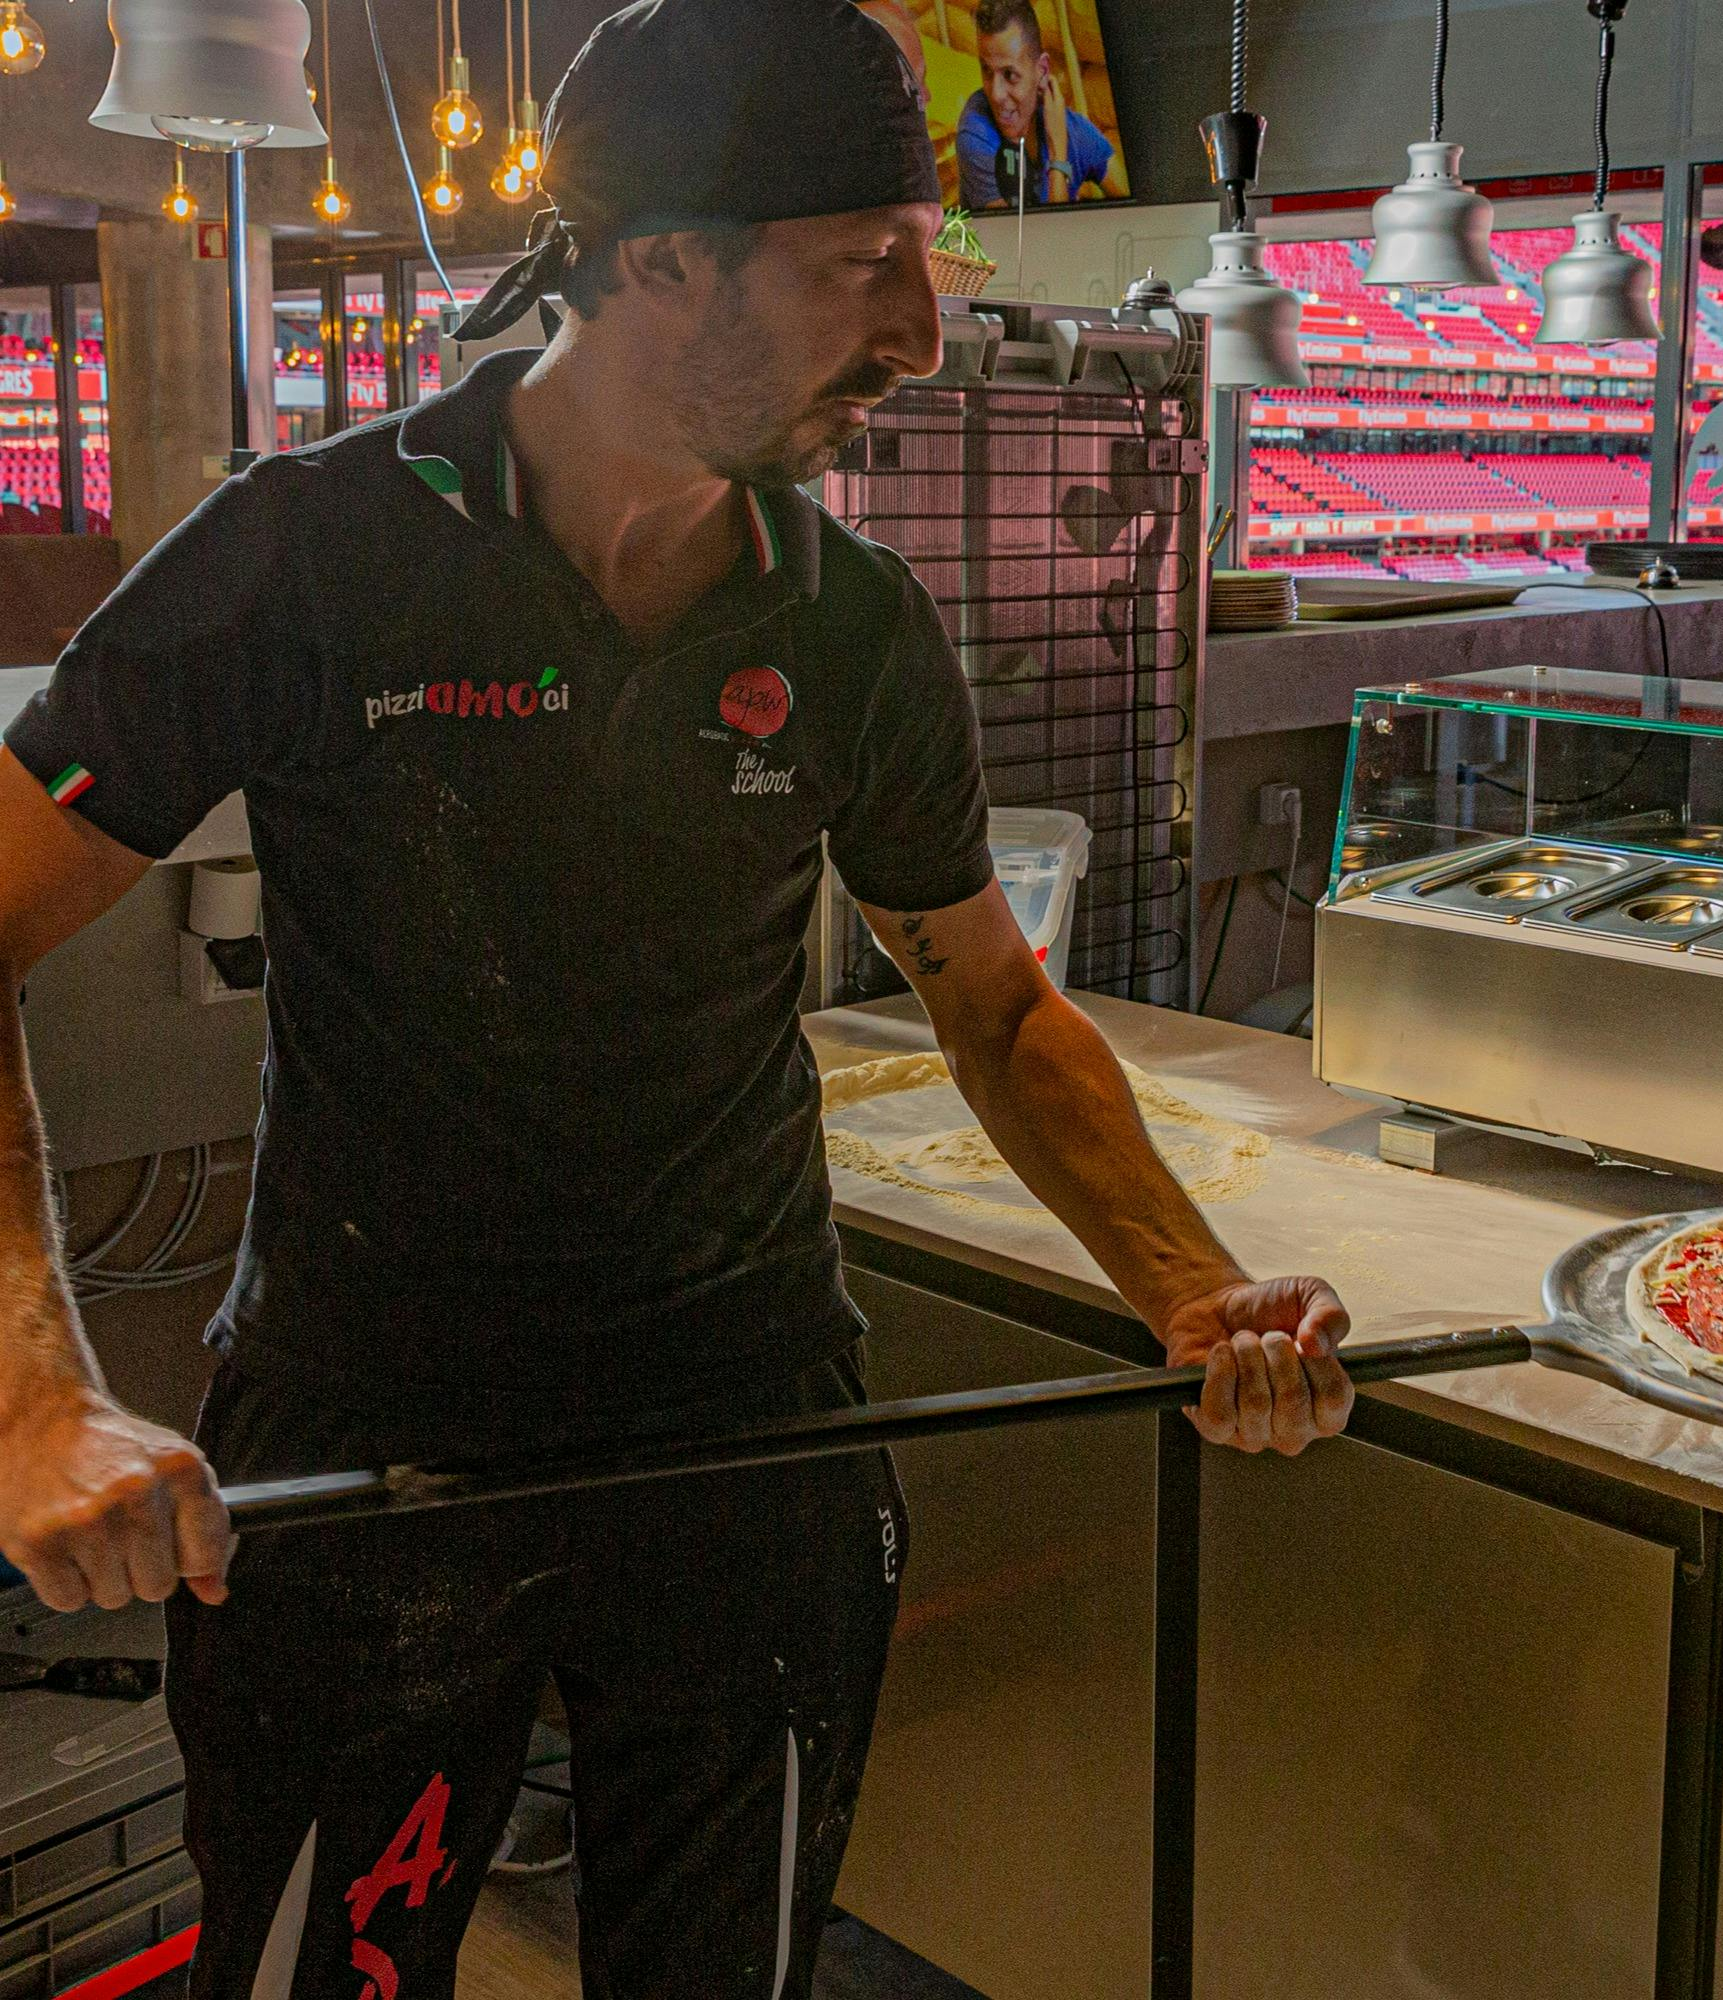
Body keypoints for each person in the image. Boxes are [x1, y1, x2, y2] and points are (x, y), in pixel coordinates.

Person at [0, 0, 1347, 1993]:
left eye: (922, 261)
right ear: (655, 261)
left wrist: (1185, 1279)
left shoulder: (855, 622)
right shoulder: (305, 558)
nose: (916, 332)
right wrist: (33, 1395)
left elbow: (990, 1000)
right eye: (856, 269)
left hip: (746, 1446)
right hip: (373, 1450)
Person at [956, 0, 1122, 210]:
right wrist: (1058, 158)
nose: (996, 94)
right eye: (987, 71)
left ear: (1042, 70)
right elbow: (1029, 240)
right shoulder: (975, 134)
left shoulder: (1070, 128)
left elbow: (1143, 213)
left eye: (1010, 75)